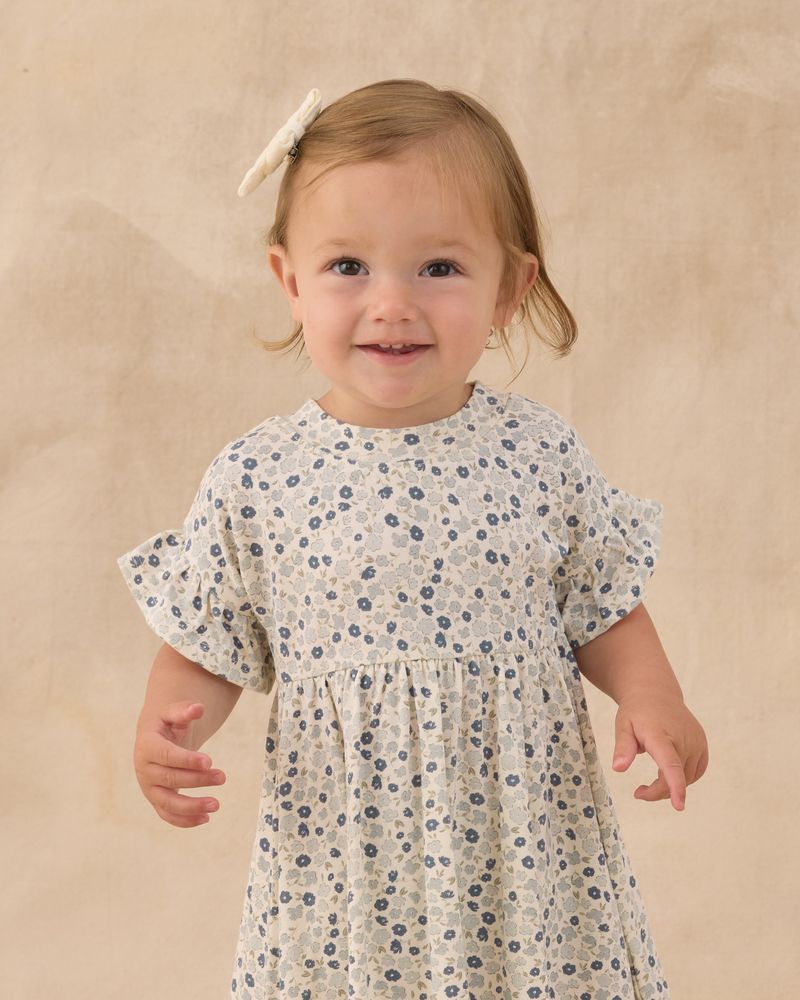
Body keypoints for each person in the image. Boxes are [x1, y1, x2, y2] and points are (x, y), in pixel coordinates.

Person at [118, 79, 708, 1000]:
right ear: (290, 282)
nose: (391, 303)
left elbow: (602, 605)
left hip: (525, 847)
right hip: (348, 859)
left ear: (511, 287)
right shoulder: (258, 476)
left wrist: (653, 698)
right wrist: (167, 729)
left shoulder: (538, 452)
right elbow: (209, 641)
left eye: (437, 268)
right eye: (348, 266)